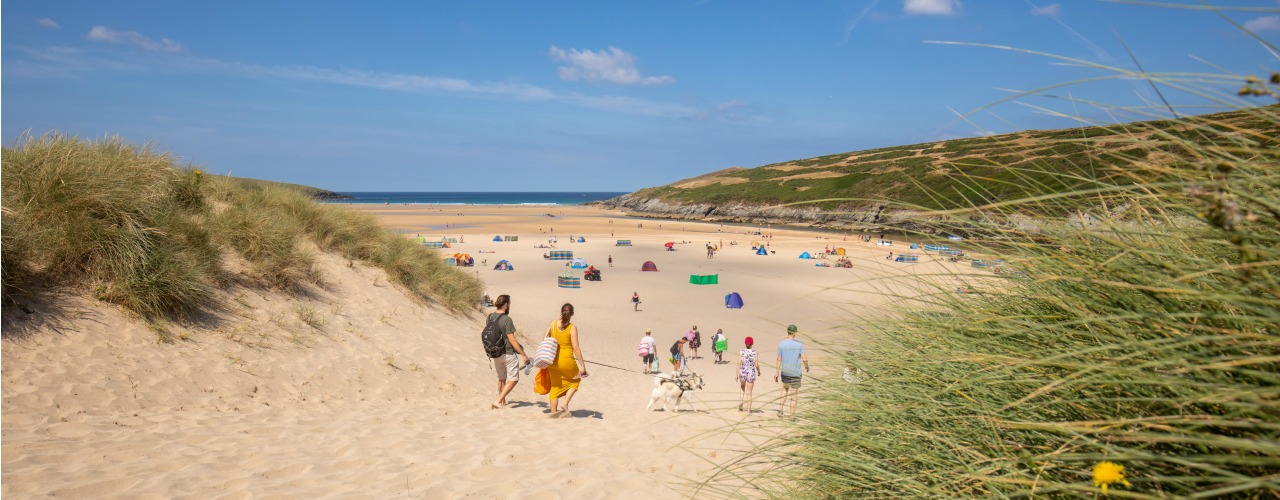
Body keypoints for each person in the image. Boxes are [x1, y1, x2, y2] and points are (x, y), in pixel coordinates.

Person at [545, 303, 587, 417]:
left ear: (561, 311)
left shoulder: (552, 324)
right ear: (572, 313)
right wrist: (582, 365)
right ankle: (565, 404)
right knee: (576, 380)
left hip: (552, 360)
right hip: (566, 361)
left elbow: (545, 339)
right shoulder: (572, 327)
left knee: (555, 387)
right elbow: (576, 348)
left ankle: (553, 413)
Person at [488, 295, 529, 410]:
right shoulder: (507, 319)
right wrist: (523, 354)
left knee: (501, 378)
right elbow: (512, 339)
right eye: (509, 303)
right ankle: (498, 400)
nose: (509, 305)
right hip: (508, 353)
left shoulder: (490, 317)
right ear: (505, 304)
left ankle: (502, 401)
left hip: (495, 352)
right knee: (513, 379)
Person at [774, 324, 809, 418]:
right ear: (795, 332)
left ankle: (780, 410)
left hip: (785, 372)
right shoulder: (799, 345)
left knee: (784, 390)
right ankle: (792, 416)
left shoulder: (781, 344)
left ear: (788, 331)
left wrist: (776, 372)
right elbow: (804, 359)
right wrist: (807, 366)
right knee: (794, 395)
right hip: (795, 373)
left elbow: (778, 359)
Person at [735, 336, 760, 412]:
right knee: (749, 393)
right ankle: (748, 410)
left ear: (745, 343)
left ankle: (741, 401)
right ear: (752, 343)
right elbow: (756, 364)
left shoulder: (742, 351)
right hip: (751, 373)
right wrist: (759, 371)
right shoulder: (754, 352)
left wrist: (736, 374)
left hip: (742, 372)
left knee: (742, 387)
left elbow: (739, 363)